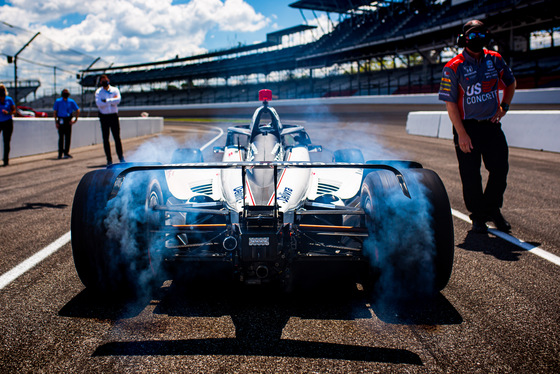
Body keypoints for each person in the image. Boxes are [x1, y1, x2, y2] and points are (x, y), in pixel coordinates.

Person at [439, 20, 516, 233]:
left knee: (500, 169)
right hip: (467, 128)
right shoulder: (452, 67)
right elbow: (450, 104)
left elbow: (510, 82)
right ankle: (478, 216)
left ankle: (492, 208)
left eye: (481, 34)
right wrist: (461, 133)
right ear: (463, 39)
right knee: (471, 175)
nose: (477, 39)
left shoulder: (495, 59)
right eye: (472, 35)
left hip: (491, 125)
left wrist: (504, 107)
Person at [95, 75, 125, 165]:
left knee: (117, 138)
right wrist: (111, 101)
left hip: (113, 116)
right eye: (102, 81)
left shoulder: (115, 90)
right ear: (100, 82)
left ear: (108, 80)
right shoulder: (98, 92)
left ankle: (121, 158)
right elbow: (99, 103)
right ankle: (109, 160)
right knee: (105, 139)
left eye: (106, 80)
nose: (104, 82)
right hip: (104, 117)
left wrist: (106, 100)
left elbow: (118, 100)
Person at [53, 88, 80, 159]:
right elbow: (55, 112)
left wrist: (75, 120)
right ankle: (60, 153)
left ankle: (66, 152)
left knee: (68, 137)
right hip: (61, 119)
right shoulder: (58, 101)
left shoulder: (71, 102)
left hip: (68, 120)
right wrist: (56, 122)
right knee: (61, 137)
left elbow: (77, 110)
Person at [0, 84, 16, 167]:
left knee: (6, 141)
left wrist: (8, 112)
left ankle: (6, 160)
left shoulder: (9, 100)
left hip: (7, 122)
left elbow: (14, 111)